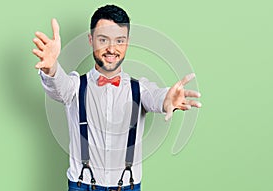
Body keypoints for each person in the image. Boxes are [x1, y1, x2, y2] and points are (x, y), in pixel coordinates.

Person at [32, 4, 201, 191]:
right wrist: (51, 68)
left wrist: (167, 100)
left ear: (127, 42)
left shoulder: (140, 88)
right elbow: (58, 86)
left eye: (119, 41)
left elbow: (157, 97)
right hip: (82, 185)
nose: (112, 49)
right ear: (91, 39)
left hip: (128, 186)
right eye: (103, 40)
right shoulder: (75, 86)